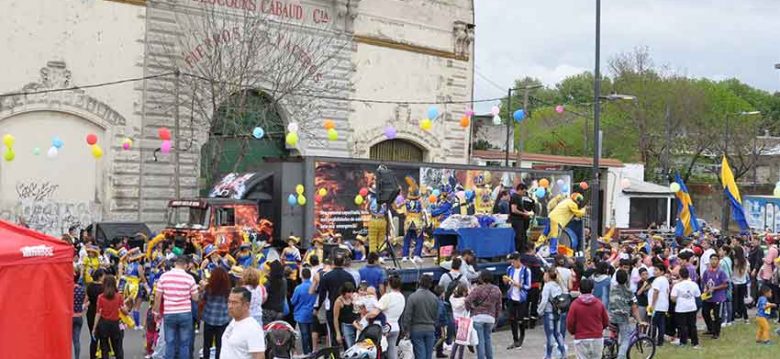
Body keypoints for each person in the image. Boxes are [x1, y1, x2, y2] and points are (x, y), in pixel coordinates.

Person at [155, 255, 199, 359]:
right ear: (186, 265)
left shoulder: (164, 276)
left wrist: (156, 312)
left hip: (169, 312)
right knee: (184, 343)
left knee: (169, 342)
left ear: (175, 264)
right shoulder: (189, 278)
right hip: (185, 313)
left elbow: (157, 296)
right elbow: (195, 298)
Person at [315, 254, 358, 347]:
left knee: (333, 334)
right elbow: (354, 290)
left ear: (333, 263)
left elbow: (322, 294)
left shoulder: (326, 276)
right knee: (348, 334)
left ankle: (335, 353)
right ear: (343, 263)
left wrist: (317, 307)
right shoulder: (349, 276)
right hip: (347, 308)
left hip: (332, 306)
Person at [567, 278, 609, 359]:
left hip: (581, 338)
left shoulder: (575, 305)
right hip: (597, 337)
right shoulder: (599, 304)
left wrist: (573, 332)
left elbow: (570, 322)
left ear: (579, 289)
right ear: (592, 290)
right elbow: (605, 321)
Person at [464, 271, 501, 359]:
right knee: (488, 339)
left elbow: (467, 300)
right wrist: (496, 319)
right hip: (490, 318)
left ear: (481, 278)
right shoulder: (497, 289)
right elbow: (499, 306)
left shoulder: (478, 289)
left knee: (480, 341)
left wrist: (470, 308)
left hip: (478, 317)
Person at [221, 287, 266, 359]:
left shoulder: (253, 329)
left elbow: (259, 356)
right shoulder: (234, 321)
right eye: (229, 302)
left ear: (246, 305)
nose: (230, 306)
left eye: (234, 303)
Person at [402, 275, 439, 359]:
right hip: (430, 329)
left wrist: (406, 329)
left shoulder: (412, 297)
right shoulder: (434, 298)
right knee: (428, 355)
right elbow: (436, 315)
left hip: (416, 329)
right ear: (430, 284)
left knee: (420, 354)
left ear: (419, 282)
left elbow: (407, 315)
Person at [369, 275, 406, 359]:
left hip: (384, 326)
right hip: (396, 326)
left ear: (389, 284)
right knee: (392, 350)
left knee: (380, 351)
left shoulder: (387, 296)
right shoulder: (402, 297)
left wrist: (367, 316)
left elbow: (375, 312)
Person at [92, 275, 127, 359]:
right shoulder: (119, 296)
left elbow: (98, 313)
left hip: (103, 324)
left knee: (104, 348)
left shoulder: (100, 297)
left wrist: (94, 327)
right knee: (117, 348)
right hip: (115, 324)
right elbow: (125, 312)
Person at [201, 267, 232, 359]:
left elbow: (203, 299)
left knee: (207, 344)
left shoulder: (208, 288)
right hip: (223, 319)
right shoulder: (228, 290)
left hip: (209, 318)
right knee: (220, 345)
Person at [503, 252, 531, 350]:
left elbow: (528, 286)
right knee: (512, 319)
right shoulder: (509, 269)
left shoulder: (526, 270)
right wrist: (506, 281)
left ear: (518, 260)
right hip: (511, 296)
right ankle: (515, 340)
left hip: (521, 297)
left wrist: (520, 285)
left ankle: (521, 336)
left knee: (520, 319)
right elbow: (507, 282)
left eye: (513, 261)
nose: (512, 263)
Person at [538, 268, 566, 359]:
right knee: (557, 333)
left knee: (550, 335)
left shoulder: (547, 286)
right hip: (557, 312)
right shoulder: (558, 285)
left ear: (548, 275)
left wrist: (539, 311)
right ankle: (563, 352)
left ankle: (548, 355)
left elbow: (544, 301)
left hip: (548, 312)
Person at [670, 267, 701, 349]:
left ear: (679, 275)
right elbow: (698, 295)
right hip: (691, 307)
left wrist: (679, 299)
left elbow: (673, 297)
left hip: (681, 308)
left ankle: (683, 341)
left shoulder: (677, 285)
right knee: (692, 325)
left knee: (682, 326)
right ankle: (695, 342)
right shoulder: (694, 284)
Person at [701, 253, 729, 339]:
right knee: (705, 312)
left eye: (715, 259)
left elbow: (726, 284)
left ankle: (716, 332)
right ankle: (710, 328)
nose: (713, 261)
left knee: (717, 315)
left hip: (718, 297)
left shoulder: (721, 272)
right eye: (712, 259)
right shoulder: (707, 271)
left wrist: (715, 288)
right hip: (708, 297)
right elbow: (704, 281)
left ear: (718, 261)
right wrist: (705, 288)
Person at [291, 268, 317, 355]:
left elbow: (293, 301)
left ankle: (307, 353)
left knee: (304, 334)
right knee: (312, 333)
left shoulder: (298, 288)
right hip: (312, 312)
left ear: (302, 276)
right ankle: (313, 351)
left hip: (301, 314)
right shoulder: (314, 287)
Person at [333, 282, 360, 348]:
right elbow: (335, 318)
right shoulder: (339, 301)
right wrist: (338, 333)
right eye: (348, 292)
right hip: (346, 325)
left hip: (356, 323)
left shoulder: (354, 298)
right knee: (350, 346)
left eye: (351, 292)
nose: (350, 294)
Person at [648, 263, 669, 346]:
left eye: (656, 270)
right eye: (654, 269)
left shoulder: (658, 280)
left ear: (662, 271)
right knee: (661, 324)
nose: (654, 271)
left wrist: (652, 305)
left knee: (653, 324)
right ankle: (660, 342)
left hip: (657, 306)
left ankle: (650, 340)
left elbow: (656, 292)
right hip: (663, 306)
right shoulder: (664, 280)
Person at [509, 183, 534, 252]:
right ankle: (518, 251)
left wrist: (526, 212)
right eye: (523, 191)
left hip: (521, 219)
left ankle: (522, 250)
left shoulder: (519, 197)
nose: (524, 193)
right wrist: (523, 214)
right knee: (519, 237)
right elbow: (514, 210)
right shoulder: (515, 197)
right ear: (519, 190)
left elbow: (520, 208)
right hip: (516, 220)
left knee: (522, 236)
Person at [86, 268, 105, 359]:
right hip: (101, 312)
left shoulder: (89, 286)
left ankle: (92, 356)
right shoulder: (103, 288)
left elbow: (87, 298)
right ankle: (102, 354)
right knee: (102, 337)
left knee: (93, 337)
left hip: (90, 311)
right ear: (99, 277)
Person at [448, 283, 470, 359]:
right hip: (463, 322)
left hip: (456, 320)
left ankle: (453, 356)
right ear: (463, 292)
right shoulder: (464, 300)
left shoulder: (452, 298)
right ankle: (458, 357)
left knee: (458, 340)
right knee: (460, 342)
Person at [732, 245, 751, 323]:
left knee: (734, 301)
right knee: (741, 301)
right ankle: (746, 318)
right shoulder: (745, 261)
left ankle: (732, 318)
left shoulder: (734, 261)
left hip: (735, 283)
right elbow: (749, 271)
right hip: (743, 283)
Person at [718, 245, 734, 326]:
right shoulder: (729, 259)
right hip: (729, 281)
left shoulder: (721, 262)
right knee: (729, 301)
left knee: (723, 301)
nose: (719, 252)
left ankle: (723, 320)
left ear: (724, 251)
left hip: (723, 282)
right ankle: (729, 320)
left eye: (720, 250)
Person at [73, 269, 87, 359]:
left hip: (69, 317)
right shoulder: (82, 290)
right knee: (76, 340)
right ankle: (76, 357)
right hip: (79, 316)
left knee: (66, 340)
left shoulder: (66, 289)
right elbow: (85, 303)